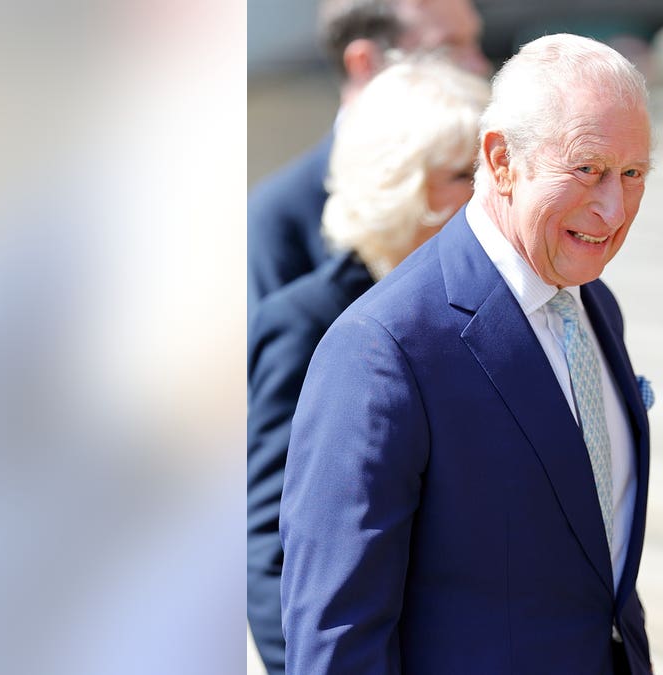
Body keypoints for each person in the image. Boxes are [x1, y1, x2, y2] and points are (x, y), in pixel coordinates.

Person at [280, 33, 654, 674]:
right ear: (502, 160)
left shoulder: (595, 304)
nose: (613, 207)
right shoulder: (382, 347)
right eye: (587, 168)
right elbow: (337, 638)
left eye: (632, 173)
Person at [247, 58, 490, 675]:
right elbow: (272, 550)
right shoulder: (305, 322)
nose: (490, 190)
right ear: (398, 184)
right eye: (465, 173)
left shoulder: (479, 306)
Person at [247, 0, 489, 313]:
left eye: (474, 41)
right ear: (365, 63)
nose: (479, 64)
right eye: (448, 48)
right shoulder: (281, 212)